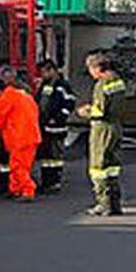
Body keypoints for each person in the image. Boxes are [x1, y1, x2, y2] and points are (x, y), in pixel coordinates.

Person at [77, 51, 126, 216]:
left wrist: (85, 111)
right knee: (112, 166)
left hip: (102, 129)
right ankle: (114, 203)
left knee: (98, 167)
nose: (90, 73)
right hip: (116, 126)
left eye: (90, 69)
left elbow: (100, 110)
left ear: (97, 68)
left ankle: (103, 203)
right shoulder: (118, 81)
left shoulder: (102, 84)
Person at [0, 66, 42, 202]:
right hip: (30, 135)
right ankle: (16, 189)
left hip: (20, 137)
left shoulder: (8, 96)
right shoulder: (24, 94)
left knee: (19, 166)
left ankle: (27, 190)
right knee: (19, 165)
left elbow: (0, 118)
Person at [35, 59, 76, 194]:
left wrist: (59, 117)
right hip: (44, 126)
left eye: (44, 72)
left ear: (52, 70)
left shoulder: (62, 85)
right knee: (45, 157)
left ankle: (54, 182)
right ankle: (46, 182)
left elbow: (70, 103)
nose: (42, 75)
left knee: (55, 157)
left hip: (57, 127)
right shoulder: (45, 85)